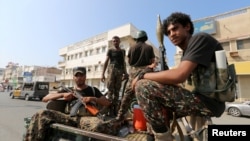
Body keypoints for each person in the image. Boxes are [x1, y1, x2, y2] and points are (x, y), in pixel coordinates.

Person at [132, 12, 226, 141]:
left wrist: (143, 75)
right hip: (199, 97)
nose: (171, 34)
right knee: (154, 103)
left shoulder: (200, 39)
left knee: (143, 87)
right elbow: (181, 82)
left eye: (175, 28)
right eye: (168, 32)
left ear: (187, 27)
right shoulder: (187, 53)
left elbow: (179, 75)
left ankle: (163, 138)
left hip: (208, 102)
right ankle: (154, 134)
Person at [25, 66, 111, 141]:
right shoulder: (68, 90)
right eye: (76, 75)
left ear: (85, 77)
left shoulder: (93, 90)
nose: (79, 77)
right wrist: (62, 95)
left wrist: (93, 99)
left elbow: (107, 102)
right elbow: (45, 98)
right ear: (73, 77)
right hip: (69, 117)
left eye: (81, 75)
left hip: (86, 118)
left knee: (100, 126)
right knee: (41, 114)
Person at [110, 30, 156, 125]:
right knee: (147, 95)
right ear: (145, 38)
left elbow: (129, 62)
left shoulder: (132, 48)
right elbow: (152, 62)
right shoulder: (149, 48)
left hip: (133, 72)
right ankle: (151, 124)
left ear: (137, 38)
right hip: (145, 72)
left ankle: (120, 117)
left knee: (127, 95)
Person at [101, 36, 128, 116]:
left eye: (117, 41)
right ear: (112, 42)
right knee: (110, 91)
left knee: (117, 92)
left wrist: (125, 73)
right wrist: (102, 74)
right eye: (114, 41)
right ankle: (108, 110)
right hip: (112, 70)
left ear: (119, 41)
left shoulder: (123, 51)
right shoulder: (110, 50)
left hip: (119, 71)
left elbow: (124, 62)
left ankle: (115, 111)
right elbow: (106, 62)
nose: (115, 42)